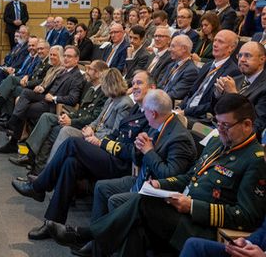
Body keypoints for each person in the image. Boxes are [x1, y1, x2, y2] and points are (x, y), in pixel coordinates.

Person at [89, 94, 266, 257]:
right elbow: (190, 177)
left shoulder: (255, 160)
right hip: (182, 211)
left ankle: (90, 236)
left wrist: (193, 207)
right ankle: (94, 243)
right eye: (217, 124)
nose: (219, 130)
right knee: (136, 227)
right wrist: (161, 184)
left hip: (204, 227)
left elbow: (246, 216)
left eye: (225, 126)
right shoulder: (217, 143)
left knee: (144, 203)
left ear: (247, 125)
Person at [50, 89, 197, 256]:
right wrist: (139, 148)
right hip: (142, 178)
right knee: (101, 187)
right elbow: (136, 154)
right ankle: (96, 245)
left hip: (156, 190)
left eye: (145, 111)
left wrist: (148, 151)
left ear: (153, 113)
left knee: (115, 199)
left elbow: (169, 175)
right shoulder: (159, 124)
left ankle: (91, 239)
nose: (143, 114)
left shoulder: (179, 137)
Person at [9, 69, 137, 240]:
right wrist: (90, 128)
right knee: (70, 163)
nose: (101, 87)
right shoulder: (110, 101)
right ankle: (52, 223)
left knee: (71, 142)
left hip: (111, 154)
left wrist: (94, 135)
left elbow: (115, 133)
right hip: (97, 141)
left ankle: (39, 186)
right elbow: (97, 121)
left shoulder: (125, 104)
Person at [10, 60, 109, 173]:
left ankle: (38, 168)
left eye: (90, 69)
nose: (86, 71)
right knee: (46, 117)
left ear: (98, 73)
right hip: (73, 117)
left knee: (53, 129)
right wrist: (68, 116)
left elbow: (93, 117)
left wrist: (71, 121)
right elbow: (81, 111)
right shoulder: (92, 89)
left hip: (83, 126)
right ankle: (31, 156)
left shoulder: (103, 93)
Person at [0, 45, 85, 153]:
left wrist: (54, 98)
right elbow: (51, 86)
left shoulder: (77, 76)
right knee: (25, 93)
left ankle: (14, 139)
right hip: (46, 97)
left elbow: (73, 99)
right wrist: (42, 88)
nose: (65, 58)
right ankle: (12, 124)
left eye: (69, 56)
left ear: (76, 59)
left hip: (54, 105)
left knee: (23, 108)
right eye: (65, 56)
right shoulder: (64, 71)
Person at [177, 30, 241, 127]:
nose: (215, 44)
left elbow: (212, 105)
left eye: (220, 42)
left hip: (202, 118)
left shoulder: (233, 71)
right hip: (186, 111)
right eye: (215, 40)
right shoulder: (207, 65)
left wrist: (185, 112)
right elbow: (192, 92)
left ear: (231, 48)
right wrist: (179, 108)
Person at [215, 41, 266, 136]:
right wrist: (218, 95)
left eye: (247, 56)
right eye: (240, 55)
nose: (242, 59)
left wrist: (234, 95)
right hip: (219, 128)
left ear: (262, 59)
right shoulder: (235, 79)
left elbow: (257, 125)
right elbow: (215, 112)